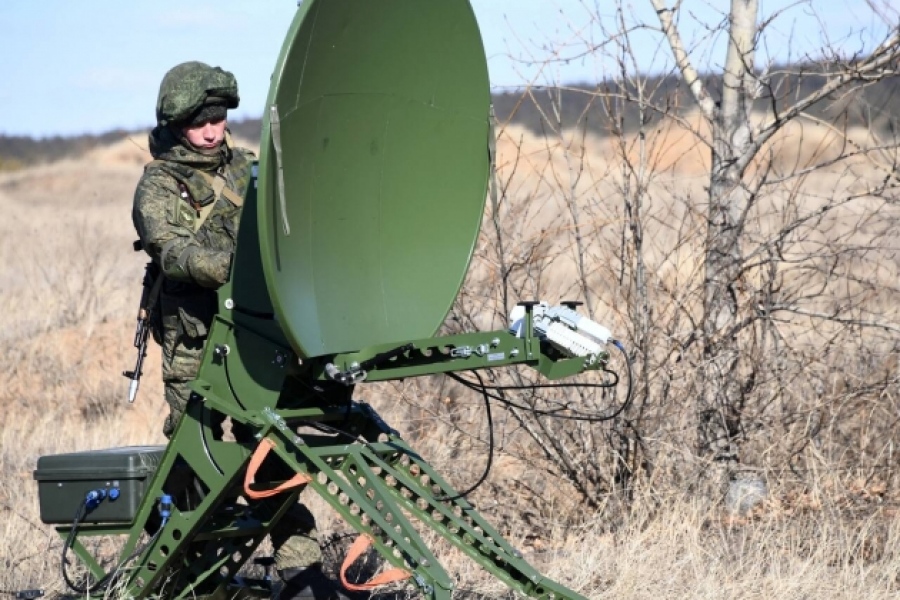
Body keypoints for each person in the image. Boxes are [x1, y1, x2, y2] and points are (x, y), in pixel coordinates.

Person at [132, 61, 350, 600]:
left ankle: (300, 572)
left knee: (269, 451)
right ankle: (187, 575)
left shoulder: (248, 167)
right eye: (200, 120)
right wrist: (236, 267)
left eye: (220, 117)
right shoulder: (159, 184)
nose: (212, 129)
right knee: (195, 461)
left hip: (253, 337)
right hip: (193, 342)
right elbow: (173, 251)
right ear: (177, 123)